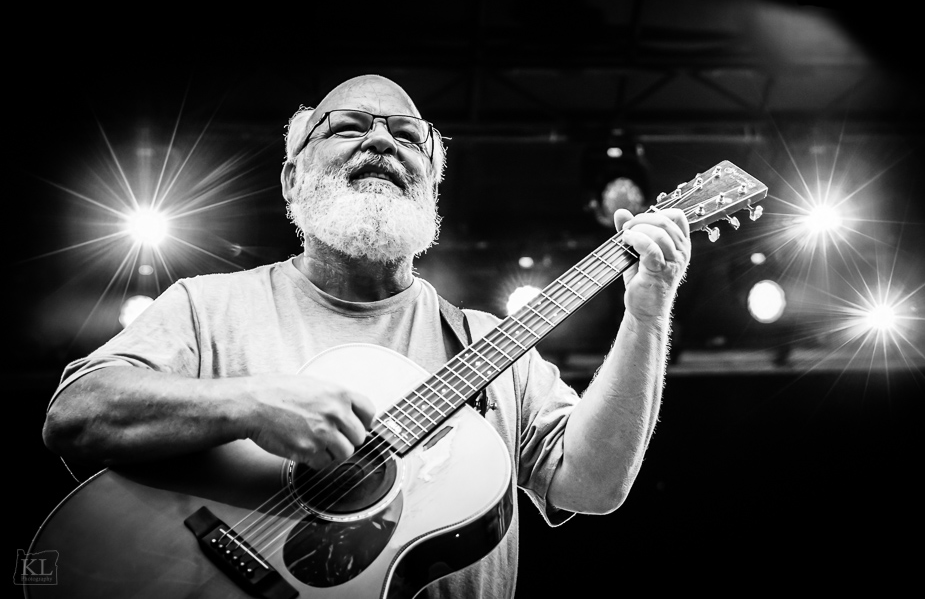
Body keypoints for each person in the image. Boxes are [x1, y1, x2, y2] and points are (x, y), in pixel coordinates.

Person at [42, 74, 691, 598]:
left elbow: (592, 482)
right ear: (293, 179)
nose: (381, 140)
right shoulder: (208, 305)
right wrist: (252, 402)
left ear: (433, 186)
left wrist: (648, 313)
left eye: (408, 136)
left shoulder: (492, 342)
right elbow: (76, 414)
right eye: (347, 126)